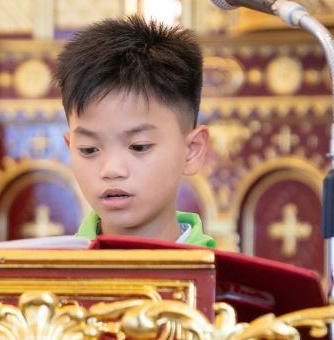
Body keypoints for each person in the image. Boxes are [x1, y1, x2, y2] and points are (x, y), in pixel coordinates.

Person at [53, 16, 214, 247]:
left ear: (192, 151)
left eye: (139, 147)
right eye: (89, 150)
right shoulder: (55, 267)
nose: (111, 170)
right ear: (70, 148)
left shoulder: (221, 270)